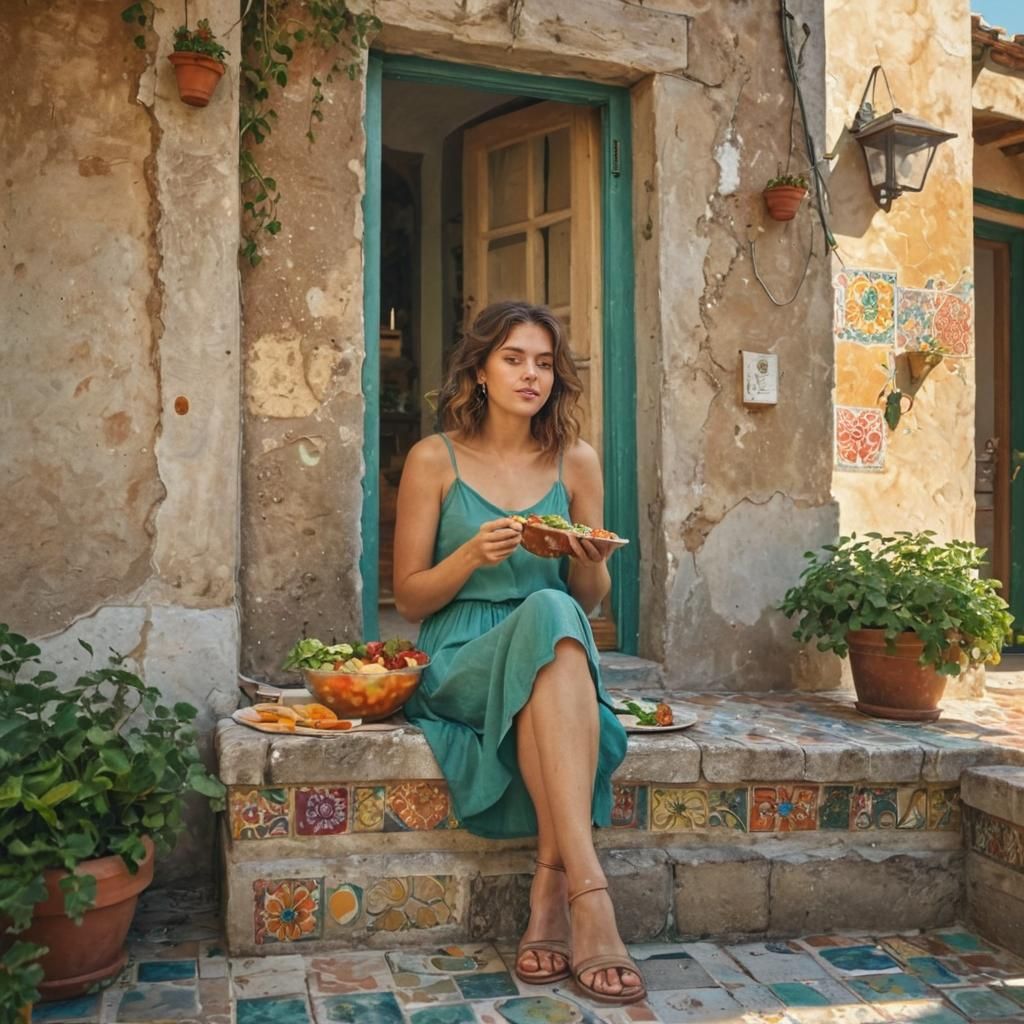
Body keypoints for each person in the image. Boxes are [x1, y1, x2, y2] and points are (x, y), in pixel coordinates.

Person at [393, 300, 646, 1006]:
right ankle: (588, 894)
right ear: (478, 371)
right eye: (512, 359)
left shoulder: (577, 461)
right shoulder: (433, 459)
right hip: (460, 656)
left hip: (553, 645)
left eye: (542, 362)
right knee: (551, 616)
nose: (530, 374)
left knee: (556, 611)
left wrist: (591, 558)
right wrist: (471, 554)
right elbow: (410, 598)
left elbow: (588, 598)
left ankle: (550, 891)